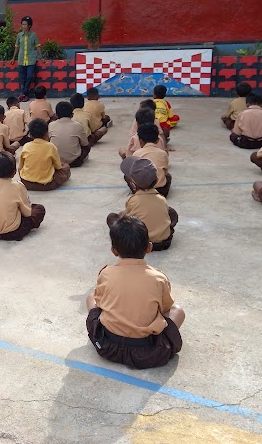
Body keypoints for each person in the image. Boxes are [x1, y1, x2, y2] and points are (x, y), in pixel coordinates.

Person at [86, 215, 184, 369]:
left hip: (107, 346)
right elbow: (166, 309)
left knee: (91, 297)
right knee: (178, 311)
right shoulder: (159, 278)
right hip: (149, 352)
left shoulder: (106, 273)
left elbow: (99, 302)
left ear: (113, 251)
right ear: (149, 247)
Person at [110, 157, 178, 251]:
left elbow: (126, 220)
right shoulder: (162, 199)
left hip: (140, 243)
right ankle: (162, 234)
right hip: (163, 242)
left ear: (133, 185)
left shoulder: (133, 200)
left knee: (112, 218)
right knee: (171, 212)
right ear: (156, 180)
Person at [0, 151, 45, 241]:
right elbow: (27, 213)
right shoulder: (18, 186)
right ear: (15, 172)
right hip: (12, 232)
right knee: (39, 209)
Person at [19, 119, 70, 191]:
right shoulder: (51, 147)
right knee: (66, 168)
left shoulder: (26, 146)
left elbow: (20, 167)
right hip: (46, 184)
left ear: (30, 135)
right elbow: (58, 167)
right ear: (47, 133)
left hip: (26, 183)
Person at [132, 123, 171, 198]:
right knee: (168, 176)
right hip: (160, 190)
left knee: (127, 176)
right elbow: (165, 171)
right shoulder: (163, 153)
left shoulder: (136, 153)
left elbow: (134, 174)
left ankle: (135, 191)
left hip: (141, 190)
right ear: (157, 140)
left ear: (140, 141)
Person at [49, 101, 91, 168]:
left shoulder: (51, 125)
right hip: (74, 162)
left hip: (55, 161)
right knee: (87, 147)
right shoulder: (78, 125)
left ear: (56, 115)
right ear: (72, 114)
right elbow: (85, 144)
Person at [13, 15, 40, 102]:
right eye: (22, 24)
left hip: (31, 59)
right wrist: (13, 58)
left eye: (25, 24)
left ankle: (23, 94)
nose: (23, 26)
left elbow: (38, 46)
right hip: (21, 59)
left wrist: (41, 57)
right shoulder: (19, 35)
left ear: (29, 26)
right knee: (22, 78)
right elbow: (17, 46)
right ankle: (25, 95)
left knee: (29, 77)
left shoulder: (33, 35)